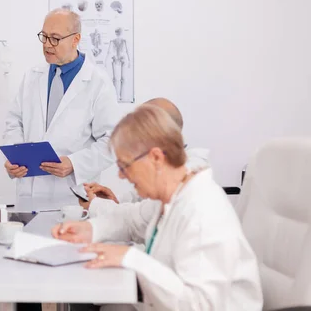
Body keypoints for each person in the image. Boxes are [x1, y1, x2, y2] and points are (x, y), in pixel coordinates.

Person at [52, 105, 262, 310]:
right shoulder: (171, 197)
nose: (121, 175)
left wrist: (130, 258)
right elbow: (128, 219)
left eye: (125, 166)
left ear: (155, 158)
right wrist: (91, 229)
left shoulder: (202, 212)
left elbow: (201, 305)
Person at [3, 8, 118, 197]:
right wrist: (14, 157)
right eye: (44, 36)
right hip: (29, 192)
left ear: (76, 39)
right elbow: (14, 122)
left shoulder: (99, 83)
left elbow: (112, 142)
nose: (47, 45)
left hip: (72, 194)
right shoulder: (33, 76)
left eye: (55, 38)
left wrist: (74, 163)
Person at [80, 97, 210, 217]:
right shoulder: (164, 174)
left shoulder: (186, 185)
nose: (121, 175)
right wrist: (114, 201)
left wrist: (98, 206)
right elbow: (140, 216)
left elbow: (145, 215)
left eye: (126, 165)